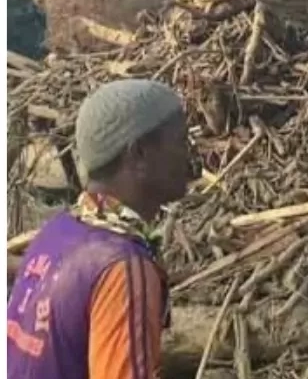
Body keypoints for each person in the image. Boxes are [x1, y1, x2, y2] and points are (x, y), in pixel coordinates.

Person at [7, 79, 195, 379]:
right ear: (140, 155)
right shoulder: (123, 267)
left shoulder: (57, 233)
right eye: (181, 142)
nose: (189, 156)